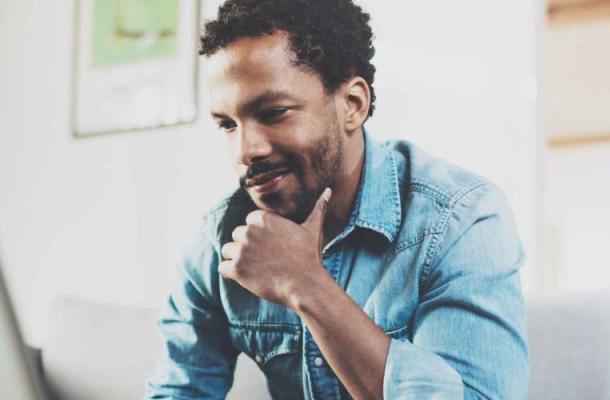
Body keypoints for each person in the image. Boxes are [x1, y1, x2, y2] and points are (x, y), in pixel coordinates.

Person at [146, 0, 528, 398]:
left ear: (352, 105)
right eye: (227, 124)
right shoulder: (219, 239)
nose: (245, 150)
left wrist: (306, 284)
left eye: (274, 112)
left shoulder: (460, 220)